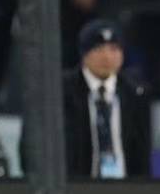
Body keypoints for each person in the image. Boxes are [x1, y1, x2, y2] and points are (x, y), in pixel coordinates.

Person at [62, 19, 153, 180]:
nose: (107, 57)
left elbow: (142, 152)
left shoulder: (136, 92)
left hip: (125, 188)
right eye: (98, 49)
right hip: (76, 187)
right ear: (84, 54)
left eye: (114, 49)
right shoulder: (62, 91)